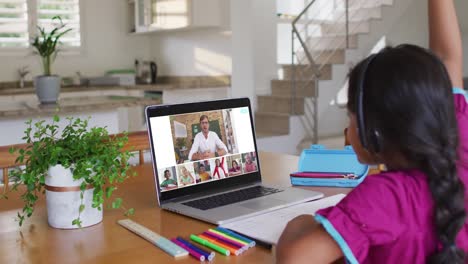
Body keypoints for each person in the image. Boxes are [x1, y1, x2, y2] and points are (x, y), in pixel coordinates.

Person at [276, 0, 468, 263]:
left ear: (372, 130)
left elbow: (295, 259)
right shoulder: (459, 135)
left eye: (351, 114)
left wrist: (301, 221)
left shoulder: (384, 197)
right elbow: (447, 57)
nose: (347, 128)